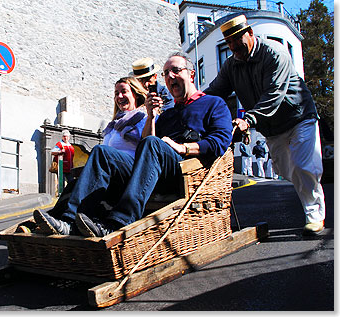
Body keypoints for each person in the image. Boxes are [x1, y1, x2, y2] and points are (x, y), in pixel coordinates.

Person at [35, 53, 232, 237]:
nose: (170, 77)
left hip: (182, 168)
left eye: (176, 71)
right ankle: (69, 221)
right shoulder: (168, 113)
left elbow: (221, 141)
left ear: (191, 74)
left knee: (153, 144)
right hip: (154, 169)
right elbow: (145, 145)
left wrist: (183, 148)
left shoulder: (213, 103)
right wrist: (151, 117)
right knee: (102, 151)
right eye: (166, 74)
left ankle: (119, 221)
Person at [204, 14, 325, 235]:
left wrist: (248, 119)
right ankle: (309, 191)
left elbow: (273, 94)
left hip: (299, 117)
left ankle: (314, 215)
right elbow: (214, 92)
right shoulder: (231, 66)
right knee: (285, 169)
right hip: (272, 129)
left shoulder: (274, 53)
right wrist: (189, 103)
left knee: (303, 166)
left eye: (237, 39)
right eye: (228, 43)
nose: (233, 46)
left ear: (250, 33)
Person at [37, 76, 149, 233]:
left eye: (124, 92)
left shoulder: (143, 117)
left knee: (101, 151)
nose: (119, 97)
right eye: (116, 93)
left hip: (131, 174)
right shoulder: (114, 124)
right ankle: (53, 221)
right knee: (76, 184)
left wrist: (152, 115)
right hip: (113, 174)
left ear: (136, 94)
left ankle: (69, 220)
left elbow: (149, 144)